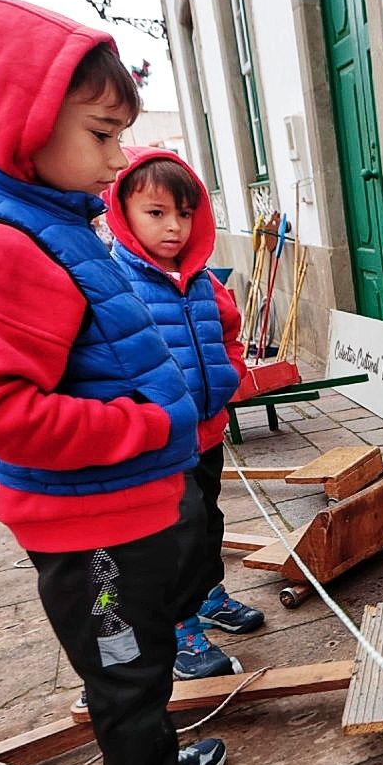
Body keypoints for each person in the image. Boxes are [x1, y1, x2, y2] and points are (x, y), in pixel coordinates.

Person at [0, 0, 281, 765]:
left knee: (139, 659)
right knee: (124, 668)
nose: (118, 160)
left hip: (116, 509)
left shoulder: (44, 223)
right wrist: (147, 424)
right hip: (92, 526)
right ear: (22, 122)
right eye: (102, 135)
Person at [104, 148, 268, 681]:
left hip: (206, 430)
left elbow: (228, 330)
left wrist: (229, 377)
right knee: (179, 531)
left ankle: (207, 593)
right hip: (158, 441)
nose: (173, 227)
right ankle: (179, 625)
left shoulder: (201, 279)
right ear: (122, 212)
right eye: (156, 213)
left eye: (184, 213)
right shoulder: (116, 281)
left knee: (209, 521)